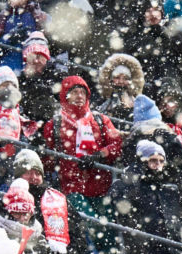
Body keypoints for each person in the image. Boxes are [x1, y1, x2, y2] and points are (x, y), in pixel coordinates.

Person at [40, 75, 123, 211]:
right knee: (89, 224)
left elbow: (117, 145)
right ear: (65, 96)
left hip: (102, 188)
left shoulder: (100, 120)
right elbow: (49, 161)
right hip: (71, 187)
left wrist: (99, 155)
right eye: (74, 92)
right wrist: (40, 149)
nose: (79, 96)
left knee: (107, 229)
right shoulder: (55, 124)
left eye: (83, 92)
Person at [0, 0, 48, 73]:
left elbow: (56, 52)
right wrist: (8, 38)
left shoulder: (43, 19)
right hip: (5, 75)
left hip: (33, 76)